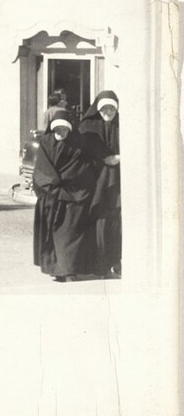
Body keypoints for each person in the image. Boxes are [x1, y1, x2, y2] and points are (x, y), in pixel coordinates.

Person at [32, 108, 97, 282]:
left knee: (69, 236)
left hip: (72, 197)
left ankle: (69, 271)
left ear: (70, 129)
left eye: (64, 129)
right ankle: (55, 269)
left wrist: (66, 185)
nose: (60, 132)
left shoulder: (77, 146)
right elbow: (41, 169)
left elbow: (82, 170)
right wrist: (52, 186)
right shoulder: (45, 143)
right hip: (51, 196)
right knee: (51, 236)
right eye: (57, 129)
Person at [78, 90, 121, 278]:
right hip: (96, 181)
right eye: (104, 108)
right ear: (98, 109)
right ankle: (98, 264)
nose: (108, 112)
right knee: (98, 222)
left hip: (119, 180)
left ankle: (115, 263)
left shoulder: (124, 125)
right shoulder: (87, 127)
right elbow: (80, 155)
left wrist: (119, 158)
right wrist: (102, 159)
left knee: (117, 222)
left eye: (112, 108)